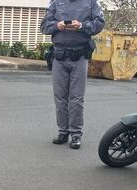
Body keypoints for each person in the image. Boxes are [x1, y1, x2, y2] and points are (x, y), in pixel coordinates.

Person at [41, 0, 104, 149]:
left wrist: (82, 26)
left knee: (76, 98)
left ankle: (76, 134)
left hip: (80, 56)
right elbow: (44, 26)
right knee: (60, 97)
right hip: (59, 56)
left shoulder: (90, 2)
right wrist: (57, 25)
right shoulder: (55, 2)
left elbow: (99, 23)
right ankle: (63, 131)